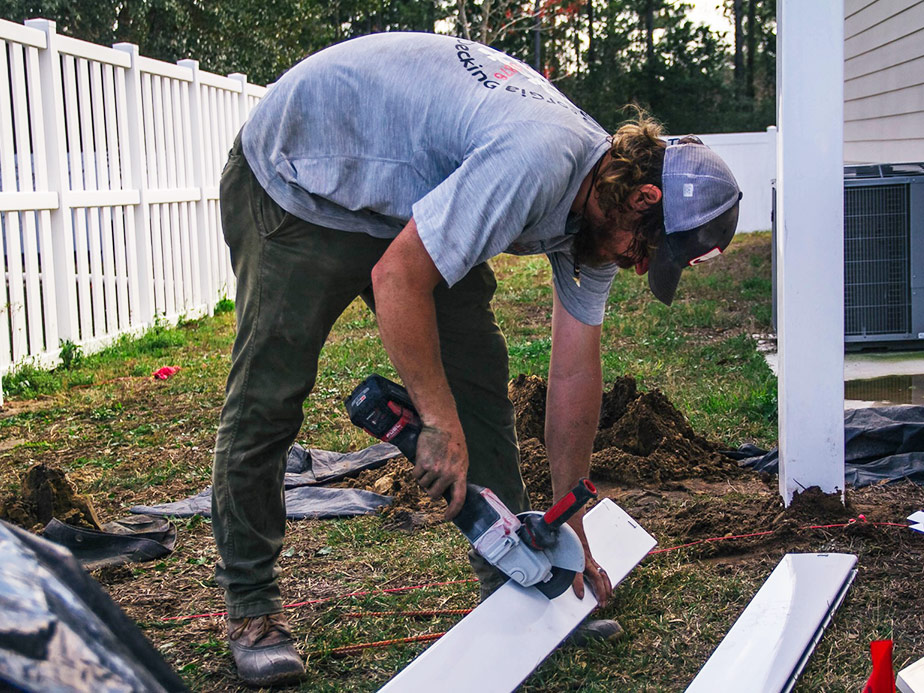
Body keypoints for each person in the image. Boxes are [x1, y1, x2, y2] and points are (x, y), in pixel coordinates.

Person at [213, 31, 741, 686]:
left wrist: (570, 529)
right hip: (301, 174)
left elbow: (575, 378)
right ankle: (251, 609)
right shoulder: (540, 160)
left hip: (399, 198)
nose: (638, 267)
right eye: (645, 251)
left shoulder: (600, 207)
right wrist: (435, 422)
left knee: (478, 381)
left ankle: (516, 578)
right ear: (644, 200)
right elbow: (398, 279)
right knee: (270, 394)